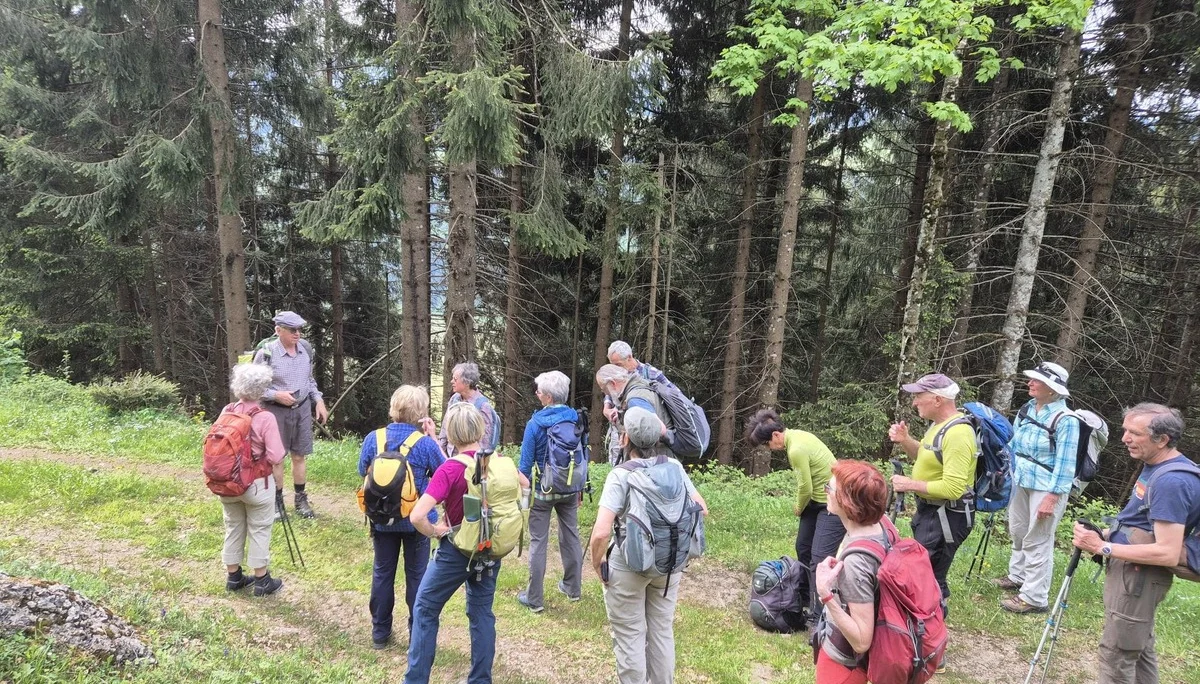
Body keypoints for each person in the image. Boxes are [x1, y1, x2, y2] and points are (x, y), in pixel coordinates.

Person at [1072, 403, 1200, 684]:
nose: (1124, 438)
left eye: (1134, 433)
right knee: (1138, 649)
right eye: (1125, 430)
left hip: (1139, 578)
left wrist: (1101, 547)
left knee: (1117, 654)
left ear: (1162, 439)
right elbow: (1143, 523)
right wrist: (1106, 533)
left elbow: (1167, 552)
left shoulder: (1172, 481)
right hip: (1133, 573)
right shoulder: (1155, 466)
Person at [404, 402, 530, 684]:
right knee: (481, 612)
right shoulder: (496, 460)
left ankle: (415, 680)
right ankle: (480, 680)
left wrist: (437, 531)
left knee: (425, 607)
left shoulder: (450, 470)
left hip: (457, 551)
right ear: (481, 429)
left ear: (450, 433)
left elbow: (416, 516)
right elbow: (525, 486)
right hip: (490, 548)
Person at [588, 407, 708, 684]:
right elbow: (701, 508)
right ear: (657, 437)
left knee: (630, 635)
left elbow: (601, 533)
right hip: (669, 564)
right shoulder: (674, 467)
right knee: (662, 631)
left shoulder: (621, 475)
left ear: (625, 438)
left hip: (628, 565)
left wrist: (598, 564)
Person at [358, 385, 445, 650]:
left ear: (394, 407)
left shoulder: (374, 438)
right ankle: (416, 634)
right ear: (420, 413)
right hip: (417, 522)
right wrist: (434, 439)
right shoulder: (425, 443)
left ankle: (380, 633)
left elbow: (362, 470)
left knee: (383, 573)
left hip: (381, 519)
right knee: (417, 577)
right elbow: (445, 475)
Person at [888, 372, 977, 617]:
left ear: (937, 400)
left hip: (948, 516)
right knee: (924, 571)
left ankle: (930, 634)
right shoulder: (939, 426)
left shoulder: (958, 434)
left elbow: (953, 488)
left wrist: (910, 484)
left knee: (930, 576)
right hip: (932, 512)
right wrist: (906, 440)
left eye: (919, 396)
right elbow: (927, 457)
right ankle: (925, 629)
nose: (915, 402)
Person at [995, 362, 1080, 614]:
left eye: (1037, 381)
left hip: (1047, 487)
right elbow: (1013, 442)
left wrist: (1052, 498)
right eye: (1032, 379)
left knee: (1038, 538)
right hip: (1020, 480)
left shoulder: (1066, 420)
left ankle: (1034, 597)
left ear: (1053, 389)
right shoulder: (1027, 409)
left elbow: (1066, 464)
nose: (1030, 383)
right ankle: (1017, 576)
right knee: (1019, 530)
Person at [745, 408, 843, 625]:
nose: (769, 448)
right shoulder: (796, 437)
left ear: (776, 436)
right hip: (816, 502)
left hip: (832, 503)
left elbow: (805, 487)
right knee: (803, 547)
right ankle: (806, 598)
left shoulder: (796, 448)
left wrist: (798, 507)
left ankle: (820, 615)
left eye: (767, 444)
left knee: (819, 557)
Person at [811, 459, 891, 684]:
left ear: (847, 502)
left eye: (829, 488)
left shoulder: (856, 563)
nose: (825, 492)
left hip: (844, 665)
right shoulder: (881, 526)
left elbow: (862, 641)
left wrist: (825, 594)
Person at [516, 370, 583, 613]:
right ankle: (573, 588)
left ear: (547, 397)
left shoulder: (535, 424)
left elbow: (524, 467)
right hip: (570, 487)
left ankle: (534, 599)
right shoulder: (575, 419)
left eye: (540, 391)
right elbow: (580, 456)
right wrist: (579, 490)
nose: (537, 394)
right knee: (571, 535)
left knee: (538, 541)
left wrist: (523, 495)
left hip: (543, 490)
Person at [218, 363, 285, 596]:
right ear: (262, 389)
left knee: (233, 526)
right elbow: (276, 456)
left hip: (226, 482)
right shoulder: (265, 418)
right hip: (256, 484)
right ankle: (261, 580)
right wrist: (280, 484)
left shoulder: (227, 411)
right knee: (259, 528)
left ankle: (234, 577)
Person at [253, 310, 328, 519]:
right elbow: (254, 387)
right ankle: (276, 502)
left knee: (299, 455)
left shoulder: (305, 350)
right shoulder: (266, 354)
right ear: (279, 330)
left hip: (302, 409)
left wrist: (318, 400)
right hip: (274, 411)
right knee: (277, 458)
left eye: (300, 330)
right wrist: (276, 395)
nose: (298, 334)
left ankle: (300, 499)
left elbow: (309, 380)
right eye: (292, 330)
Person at [603, 341, 675, 464]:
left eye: (618, 364)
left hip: (648, 436)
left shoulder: (651, 373)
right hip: (621, 434)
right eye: (612, 365)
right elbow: (609, 396)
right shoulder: (616, 374)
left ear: (629, 357)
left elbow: (674, 395)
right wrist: (607, 409)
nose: (615, 369)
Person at [595, 364, 675, 454]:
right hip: (659, 458)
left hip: (653, 459)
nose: (607, 394)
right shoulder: (639, 384)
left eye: (605, 389)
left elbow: (660, 429)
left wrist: (627, 436)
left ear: (613, 383)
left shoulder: (635, 399)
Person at [440, 362, 501, 456]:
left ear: (467, 382)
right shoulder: (454, 399)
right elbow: (445, 428)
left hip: (470, 462)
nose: (451, 381)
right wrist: (442, 452)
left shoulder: (483, 406)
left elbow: (485, 442)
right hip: (449, 458)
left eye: (455, 379)